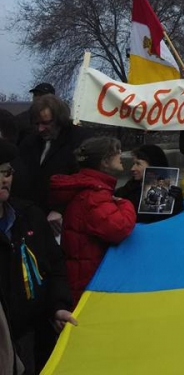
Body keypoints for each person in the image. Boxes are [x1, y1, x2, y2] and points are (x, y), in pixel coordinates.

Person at [0, 140, 76, 374]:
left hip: (30, 337)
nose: (4, 179)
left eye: (7, 172)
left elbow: (53, 266)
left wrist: (58, 306)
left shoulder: (29, 215)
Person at [49, 137, 136, 306]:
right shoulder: (94, 195)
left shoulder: (90, 188)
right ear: (104, 162)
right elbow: (119, 228)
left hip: (83, 275)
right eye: (117, 152)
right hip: (90, 281)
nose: (121, 156)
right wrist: (125, 204)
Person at [15, 94, 91, 235]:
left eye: (45, 123)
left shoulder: (80, 140)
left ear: (59, 119)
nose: (40, 129)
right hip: (32, 217)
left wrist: (60, 209)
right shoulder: (30, 142)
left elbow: (84, 179)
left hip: (66, 221)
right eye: (37, 124)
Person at [115, 144, 184, 224]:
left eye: (138, 164)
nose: (132, 168)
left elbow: (174, 221)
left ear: (153, 166)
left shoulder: (173, 192)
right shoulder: (130, 187)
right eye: (134, 164)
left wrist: (177, 202)